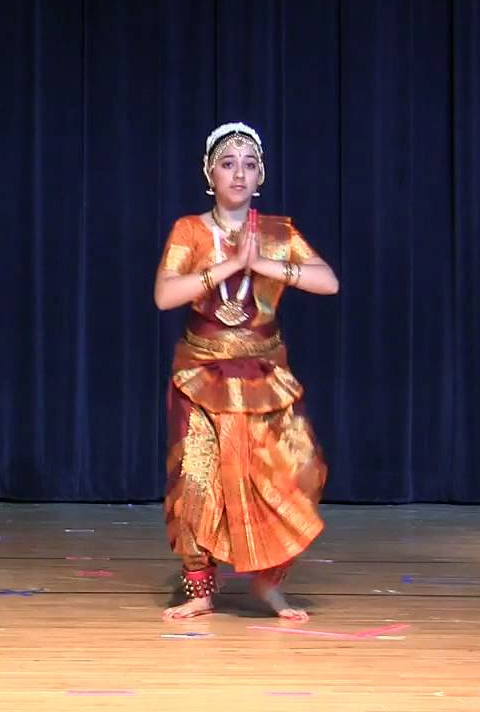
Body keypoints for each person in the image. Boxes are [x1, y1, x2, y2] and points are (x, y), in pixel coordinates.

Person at [153, 122, 339, 620]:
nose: (239, 172)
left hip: (264, 376)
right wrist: (231, 264)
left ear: (262, 176)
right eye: (228, 163)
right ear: (209, 174)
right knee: (196, 478)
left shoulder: (279, 233)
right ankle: (199, 590)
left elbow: (328, 282)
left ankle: (268, 583)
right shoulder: (189, 231)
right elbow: (165, 295)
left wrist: (265, 265)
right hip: (201, 375)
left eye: (249, 163)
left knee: (297, 472)